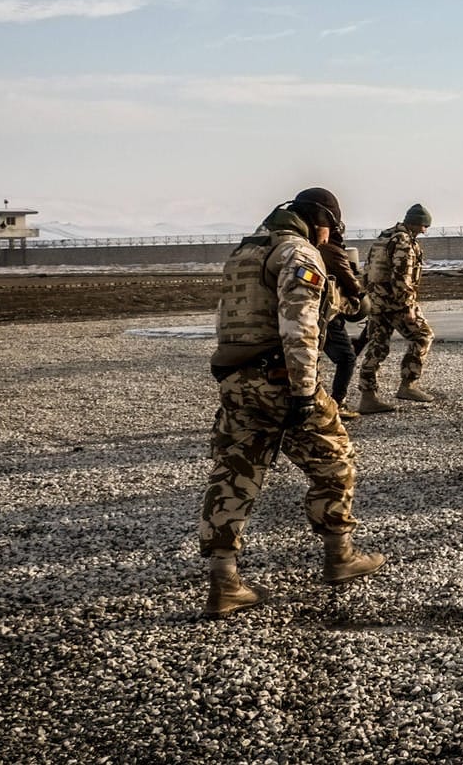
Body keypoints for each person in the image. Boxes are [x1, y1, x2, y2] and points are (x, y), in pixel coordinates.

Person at [200, 187, 385, 618]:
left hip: (237, 380)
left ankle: (224, 580)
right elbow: (299, 324)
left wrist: (346, 293)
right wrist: (304, 391)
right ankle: (340, 556)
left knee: (234, 474)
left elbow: (247, 314)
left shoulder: (246, 253)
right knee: (335, 460)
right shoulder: (299, 254)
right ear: (321, 223)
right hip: (280, 379)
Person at [357, 203, 435, 412]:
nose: (425, 231)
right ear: (418, 223)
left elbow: (367, 270)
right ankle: (408, 384)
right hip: (396, 303)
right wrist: (408, 305)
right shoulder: (403, 241)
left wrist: (372, 296)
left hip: (377, 301)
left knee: (377, 347)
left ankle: (368, 396)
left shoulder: (383, 238)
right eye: (424, 226)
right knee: (423, 336)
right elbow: (402, 276)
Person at [316, 236, 368, 418]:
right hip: (326, 314)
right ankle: (337, 404)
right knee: (347, 358)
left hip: (307, 313)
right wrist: (358, 290)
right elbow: (351, 282)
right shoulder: (330, 250)